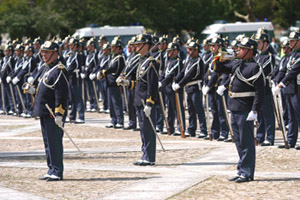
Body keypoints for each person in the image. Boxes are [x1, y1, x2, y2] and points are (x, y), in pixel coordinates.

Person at [214, 36, 264, 183]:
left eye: (242, 49)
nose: (238, 50)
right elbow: (221, 69)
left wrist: (255, 110)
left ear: (250, 51)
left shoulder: (254, 67)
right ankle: (241, 169)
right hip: (234, 106)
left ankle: (247, 173)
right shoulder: (237, 64)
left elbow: (259, 92)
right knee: (238, 141)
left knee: (246, 141)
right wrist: (220, 58)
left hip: (245, 108)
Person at [23, 41, 69, 181]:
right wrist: (33, 90)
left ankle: (57, 170)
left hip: (52, 112)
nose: (43, 54)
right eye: (43, 51)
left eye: (47, 52)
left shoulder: (59, 70)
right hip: (44, 111)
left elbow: (61, 94)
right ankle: (51, 168)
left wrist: (59, 113)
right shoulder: (46, 68)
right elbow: (44, 87)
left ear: (55, 54)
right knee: (48, 142)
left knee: (54, 142)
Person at [119, 34, 159, 165]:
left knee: (148, 130)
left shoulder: (151, 62)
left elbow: (152, 86)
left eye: (138, 44)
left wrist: (150, 102)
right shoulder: (141, 61)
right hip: (139, 100)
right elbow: (139, 83)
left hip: (146, 102)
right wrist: (127, 83)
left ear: (146, 45)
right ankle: (145, 154)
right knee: (143, 129)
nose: (135, 47)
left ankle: (150, 157)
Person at [173, 39, 206, 137]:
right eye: (188, 49)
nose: (189, 51)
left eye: (191, 50)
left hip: (195, 87)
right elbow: (183, 72)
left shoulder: (198, 61)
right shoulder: (189, 60)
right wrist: (176, 80)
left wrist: (180, 84)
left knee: (199, 110)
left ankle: (203, 130)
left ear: (196, 50)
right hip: (189, 88)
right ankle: (192, 129)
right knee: (191, 110)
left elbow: (190, 75)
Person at [273, 30, 300, 149]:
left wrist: (280, 85)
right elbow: (283, 70)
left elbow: (293, 72)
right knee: (291, 116)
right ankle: (291, 140)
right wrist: (276, 82)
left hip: (298, 88)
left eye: (293, 41)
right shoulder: (290, 55)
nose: (290, 43)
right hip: (289, 89)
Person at [254, 28, 276, 146]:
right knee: (259, 114)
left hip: (265, 87)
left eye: (259, 42)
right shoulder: (257, 56)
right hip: (258, 89)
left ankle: (270, 137)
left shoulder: (269, 57)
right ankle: (260, 136)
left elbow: (262, 71)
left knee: (268, 114)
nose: (257, 44)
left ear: (265, 43)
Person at [98, 36, 125, 129]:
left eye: (114, 47)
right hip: (109, 82)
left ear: (118, 48)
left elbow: (114, 68)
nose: (112, 49)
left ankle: (120, 120)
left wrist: (105, 72)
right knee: (111, 103)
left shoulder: (120, 58)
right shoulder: (112, 57)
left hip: (115, 82)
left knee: (116, 103)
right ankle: (113, 120)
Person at [66, 38, 85, 124]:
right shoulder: (70, 55)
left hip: (75, 77)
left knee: (78, 97)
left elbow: (75, 65)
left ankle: (81, 116)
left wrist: (67, 71)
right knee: (72, 97)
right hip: (70, 77)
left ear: (75, 46)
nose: (70, 46)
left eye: (71, 45)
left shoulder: (78, 55)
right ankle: (72, 115)